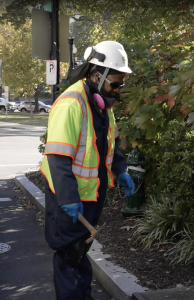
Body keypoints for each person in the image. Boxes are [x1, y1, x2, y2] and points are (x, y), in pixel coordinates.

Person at [40, 41, 135, 300]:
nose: (117, 91)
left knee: (80, 255)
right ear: (96, 75)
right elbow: (58, 158)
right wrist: (68, 199)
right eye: (114, 84)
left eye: (120, 85)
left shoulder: (102, 105)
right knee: (69, 258)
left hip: (88, 200)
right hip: (69, 201)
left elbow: (107, 144)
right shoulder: (72, 103)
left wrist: (121, 169)